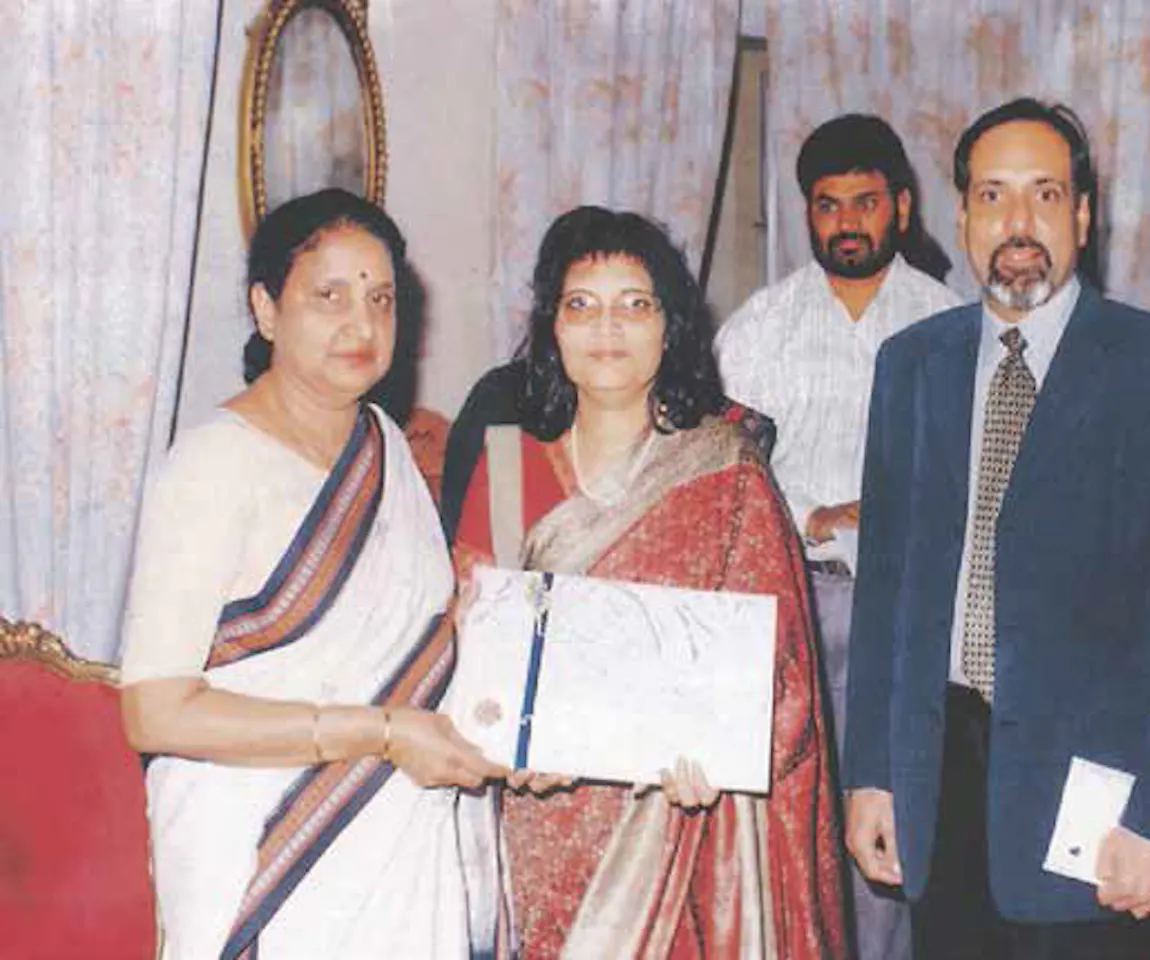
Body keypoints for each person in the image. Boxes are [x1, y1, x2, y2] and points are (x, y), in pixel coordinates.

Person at [842, 97, 1150, 959]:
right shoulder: (911, 366)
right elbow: (884, 594)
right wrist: (870, 773)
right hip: (938, 788)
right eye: (992, 196)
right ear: (961, 215)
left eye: (1045, 195)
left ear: (1084, 215)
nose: (1017, 223)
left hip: (1095, 809)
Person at [117, 189, 513, 959]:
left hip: (398, 838)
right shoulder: (210, 467)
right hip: (266, 843)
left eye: (380, 299)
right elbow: (155, 713)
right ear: (266, 309)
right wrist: (381, 733)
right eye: (328, 296)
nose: (361, 325)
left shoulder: (386, 446)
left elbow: (413, 648)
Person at [453, 205, 847, 958]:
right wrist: (504, 748)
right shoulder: (507, 472)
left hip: (686, 825)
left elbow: (785, 674)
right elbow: (473, 653)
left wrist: (725, 752)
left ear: (671, 328)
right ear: (552, 329)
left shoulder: (726, 469)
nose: (608, 329)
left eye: (635, 305)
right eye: (582, 306)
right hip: (546, 824)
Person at [715, 111, 960, 960]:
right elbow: (728, 479)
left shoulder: (948, 326)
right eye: (828, 205)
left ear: (900, 204)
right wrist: (819, 516)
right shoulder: (756, 330)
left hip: (907, 613)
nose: (847, 222)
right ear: (806, 213)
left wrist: (881, 511)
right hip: (790, 602)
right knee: (785, 817)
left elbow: (971, 481)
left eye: (864, 202)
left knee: (885, 819)